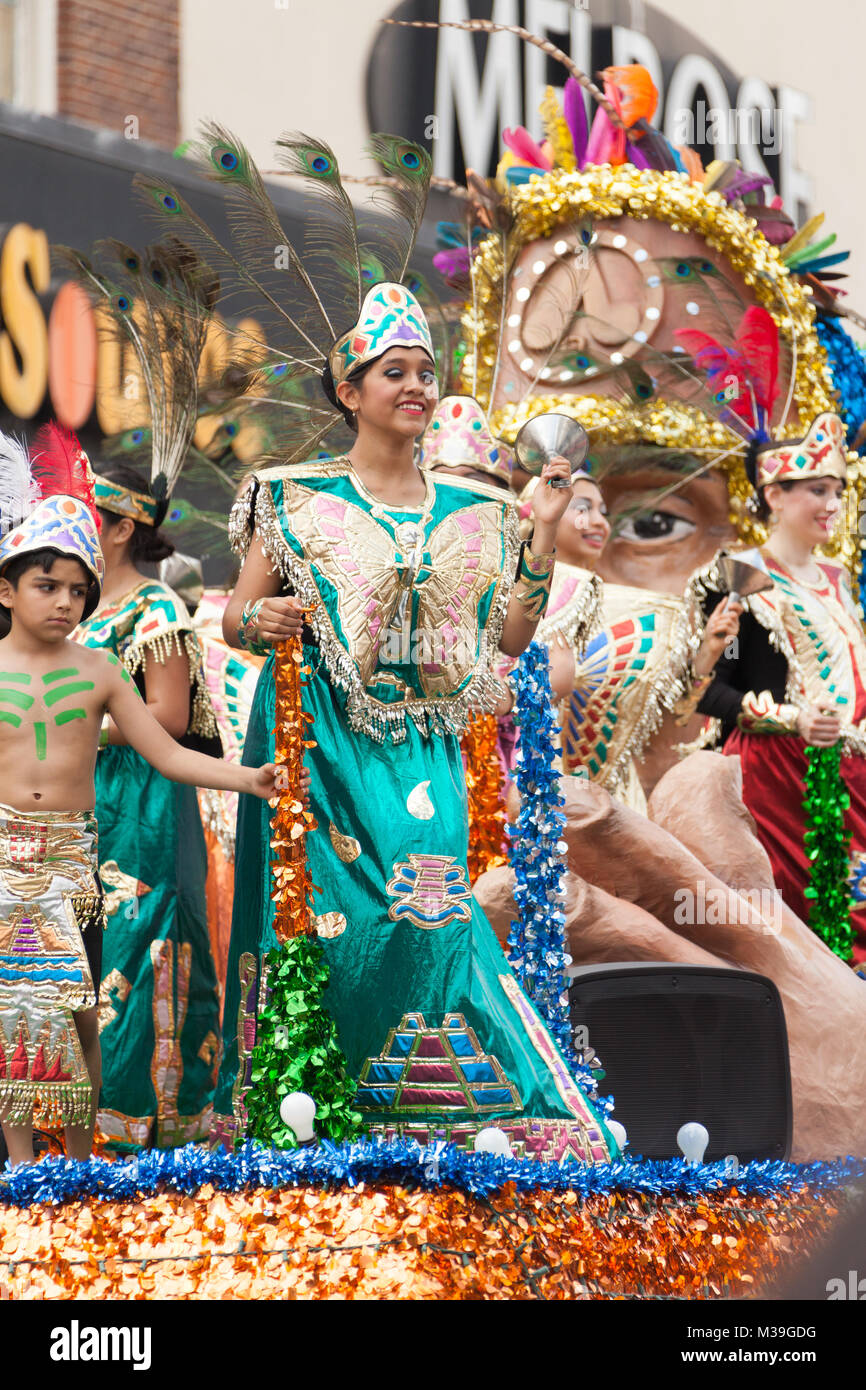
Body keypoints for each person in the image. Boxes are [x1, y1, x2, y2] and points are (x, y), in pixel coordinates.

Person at [215, 283, 616, 1162]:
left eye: (426, 373)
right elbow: (237, 621)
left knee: (433, 909)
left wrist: (542, 533)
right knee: (332, 926)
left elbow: (509, 633)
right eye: (394, 372)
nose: (417, 387)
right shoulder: (289, 500)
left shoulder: (481, 514)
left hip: (424, 749)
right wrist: (264, 623)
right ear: (349, 391)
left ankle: (482, 1118)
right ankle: (316, 1123)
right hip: (313, 743)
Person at [0, 431, 277, 1166]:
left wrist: (250, 778)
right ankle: (28, 1168)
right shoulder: (26, 648)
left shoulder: (127, 637)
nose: (64, 599)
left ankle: (105, 1156)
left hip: (109, 834)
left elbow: (173, 737)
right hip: (19, 844)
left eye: (74, 589)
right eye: (47, 585)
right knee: (16, 1009)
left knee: (96, 997)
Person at [71, 462, 232, 1149]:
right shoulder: (75, 610)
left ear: (122, 528)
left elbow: (166, 716)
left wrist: (73, 725)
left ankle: (150, 1119)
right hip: (81, 797)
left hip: (143, 797)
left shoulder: (155, 609)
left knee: (139, 941)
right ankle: (75, 1115)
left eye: (86, 514)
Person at [690, 411, 866, 961]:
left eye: (837, 491)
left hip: (852, 772)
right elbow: (712, 689)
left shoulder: (838, 577)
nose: (832, 505)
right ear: (774, 493)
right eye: (817, 490)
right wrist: (790, 718)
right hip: (775, 779)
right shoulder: (736, 578)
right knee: (794, 937)